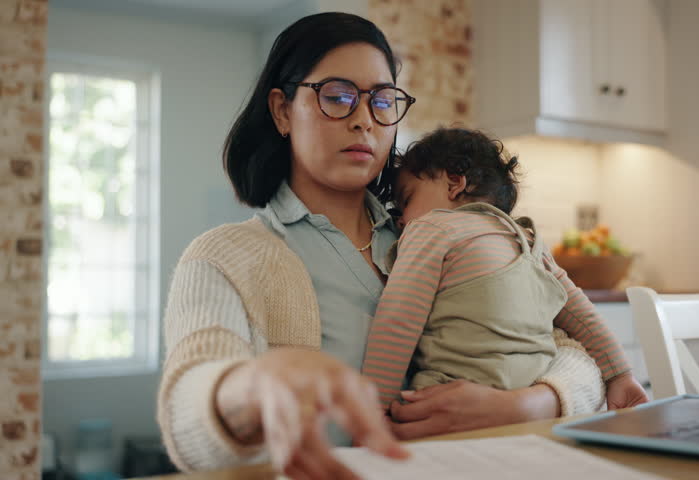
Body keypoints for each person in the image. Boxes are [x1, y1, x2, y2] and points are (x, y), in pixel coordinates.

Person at [156, 12, 619, 480]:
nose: (364, 121)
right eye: (337, 97)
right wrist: (245, 388)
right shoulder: (224, 257)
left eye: (381, 101)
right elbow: (186, 415)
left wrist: (527, 404)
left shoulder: (443, 232)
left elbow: (569, 350)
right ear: (281, 111)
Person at [362, 128, 648, 423]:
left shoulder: (432, 228)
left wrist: (376, 407)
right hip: (535, 414)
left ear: (455, 183)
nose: (401, 218)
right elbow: (583, 317)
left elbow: (398, 318)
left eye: (406, 199)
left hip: (447, 406)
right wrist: (621, 376)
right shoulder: (530, 241)